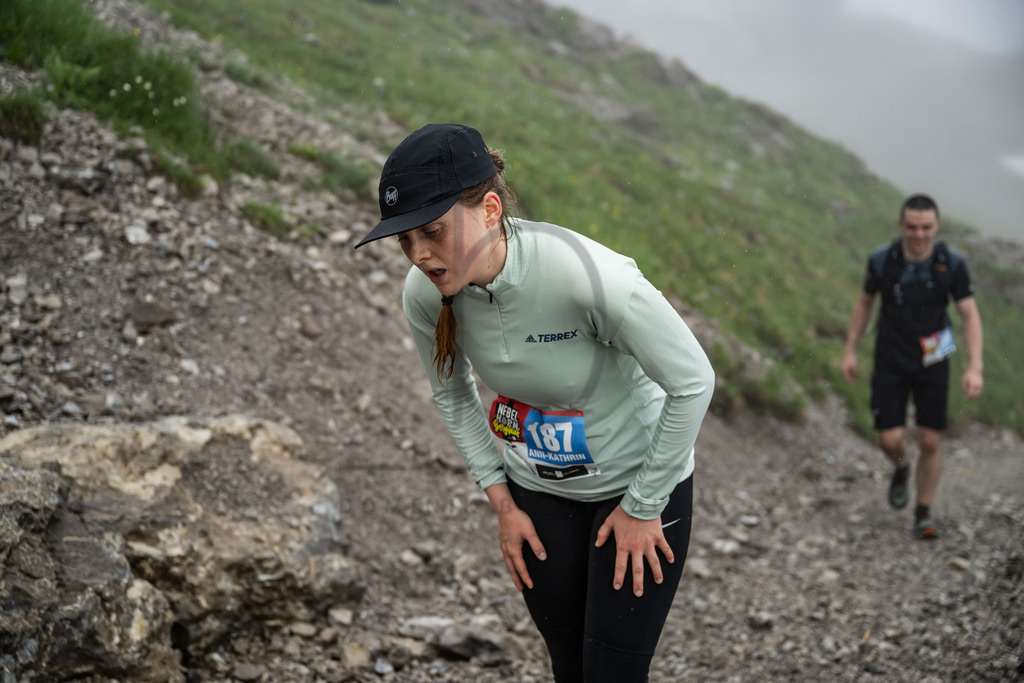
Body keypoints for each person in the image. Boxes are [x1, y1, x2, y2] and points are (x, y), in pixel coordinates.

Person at [355, 123, 715, 682]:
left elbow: (693, 383)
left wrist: (644, 505)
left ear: (491, 208)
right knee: (569, 668)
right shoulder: (426, 293)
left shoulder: (588, 276)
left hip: (638, 484)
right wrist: (501, 503)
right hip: (537, 495)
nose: (420, 255)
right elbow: (451, 395)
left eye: (431, 232)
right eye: (405, 240)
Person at [841, 193, 983, 540]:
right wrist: (850, 350)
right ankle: (901, 467)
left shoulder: (951, 263)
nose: (919, 234)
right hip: (890, 357)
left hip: (934, 360)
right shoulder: (882, 261)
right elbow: (864, 304)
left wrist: (974, 366)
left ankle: (923, 512)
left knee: (930, 440)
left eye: (926, 227)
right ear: (901, 225)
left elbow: (968, 314)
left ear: (936, 226)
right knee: (889, 439)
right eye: (912, 227)